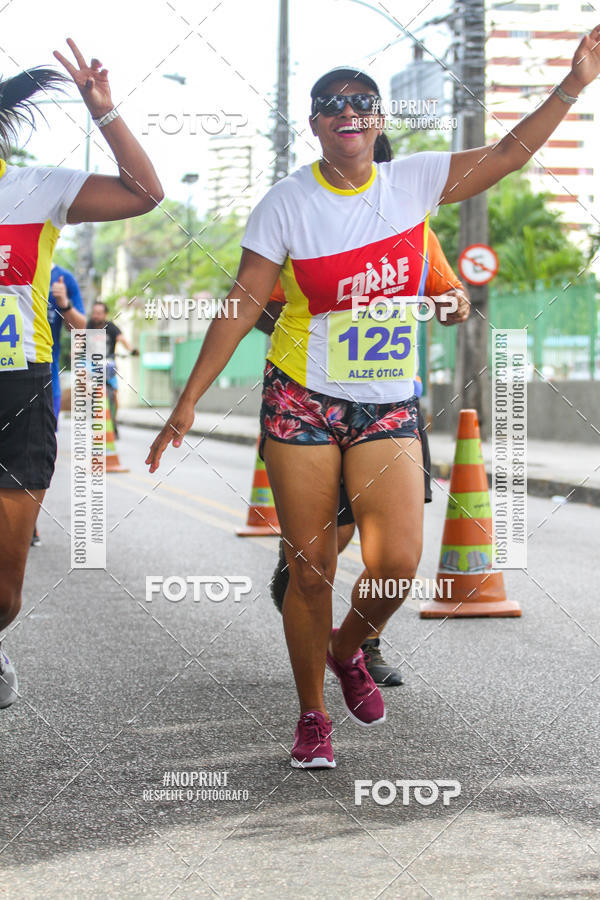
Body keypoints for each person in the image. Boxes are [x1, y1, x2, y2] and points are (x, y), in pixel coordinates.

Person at [147, 32, 600, 768]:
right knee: (312, 565)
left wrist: (574, 84)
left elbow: (510, 153)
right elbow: (241, 302)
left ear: (380, 119)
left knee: (395, 564)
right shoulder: (287, 203)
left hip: (385, 404)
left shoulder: (413, 184)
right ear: (316, 125)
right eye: (332, 106)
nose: (348, 114)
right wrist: (188, 399)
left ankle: (347, 647)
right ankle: (312, 718)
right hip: (302, 397)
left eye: (362, 104)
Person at [0, 39, 163, 709]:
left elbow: (145, 193)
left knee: (5, 590)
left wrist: (105, 114)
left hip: (18, 386)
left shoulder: (31, 186)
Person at [258, 229, 469, 687]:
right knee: (335, 538)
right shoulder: (311, 228)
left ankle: (360, 642)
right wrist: (328, 312)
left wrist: (450, 304)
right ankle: (302, 570)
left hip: (393, 406)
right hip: (315, 406)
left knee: (391, 553)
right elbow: (259, 307)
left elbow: (451, 297)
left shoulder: (418, 233)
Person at [31, 266, 86, 547]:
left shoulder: (62, 278)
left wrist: (63, 304)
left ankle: (27, 522)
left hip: (43, 379)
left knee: (36, 455)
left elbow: (81, 328)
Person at [87, 301, 136, 435]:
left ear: (105, 314)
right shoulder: (88, 326)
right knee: (88, 387)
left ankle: (113, 419)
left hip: (109, 364)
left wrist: (132, 350)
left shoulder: (111, 327)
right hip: (92, 364)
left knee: (114, 394)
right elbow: (79, 341)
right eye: (94, 313)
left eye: (99, 313)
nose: (96, 316)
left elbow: (122, 339)